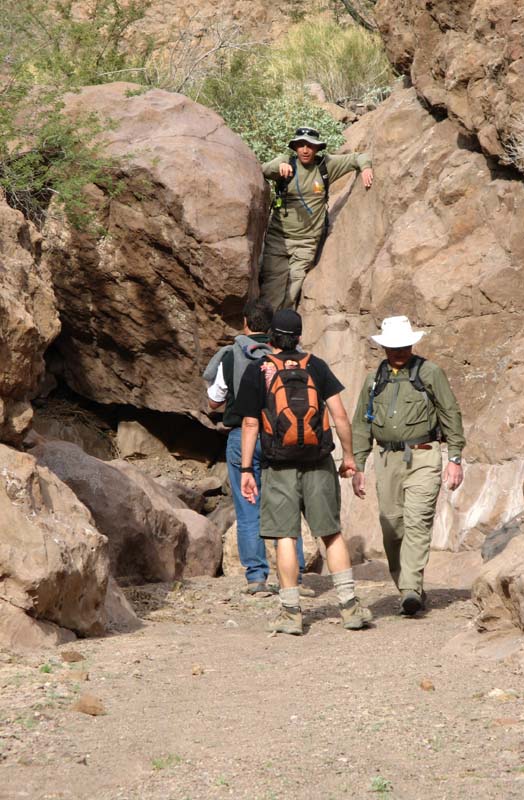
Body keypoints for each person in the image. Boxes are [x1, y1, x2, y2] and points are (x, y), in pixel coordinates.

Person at [234, 308, 373, 635]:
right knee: (331, 532)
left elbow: (251, 422)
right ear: (298, 336)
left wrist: (245, 469)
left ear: (271, 337)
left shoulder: (260, 369)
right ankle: (350, 607)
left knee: (285, 534)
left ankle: (291, 612)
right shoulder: (316, 365)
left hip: (278, 463)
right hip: (318, 461)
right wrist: (349, 456)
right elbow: (339, 415)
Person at [351, 316, 465, 616]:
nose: (399, 351)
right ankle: (407, 588)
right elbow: (361, 424)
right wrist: (359, 466)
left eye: (403, 345)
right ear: (384, 347)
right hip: (386, 459)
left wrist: (454, 458)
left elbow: (450, 413)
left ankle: (411, 588)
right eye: (393, 346)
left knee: (417, 520)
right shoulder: (373, 379)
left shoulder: (430, 373)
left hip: (424, 455)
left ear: (412, 343)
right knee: (392, 527)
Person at [204, 299, 312, 597]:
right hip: (282, 437)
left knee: (247, 507)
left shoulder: (230, 355)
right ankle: (295, 577)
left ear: (245, 324)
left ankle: (256, 578)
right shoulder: (290, 356)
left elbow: (214, 401)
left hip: (242, 436)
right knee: (286, 505)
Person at [260, 126, 373, 311]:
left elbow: (358, 157)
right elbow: (263, 170)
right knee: (272, 290)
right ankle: (266, 334)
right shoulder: (286, 162)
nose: (305, 150)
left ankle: (282, 335)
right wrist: (278, 167)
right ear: (295, 147)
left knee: (292, 291)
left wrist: (366, 168)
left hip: (307, 242)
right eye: (301, 145)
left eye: (310, 146)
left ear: (317, 148)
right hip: (278, 240)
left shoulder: (325, 166)